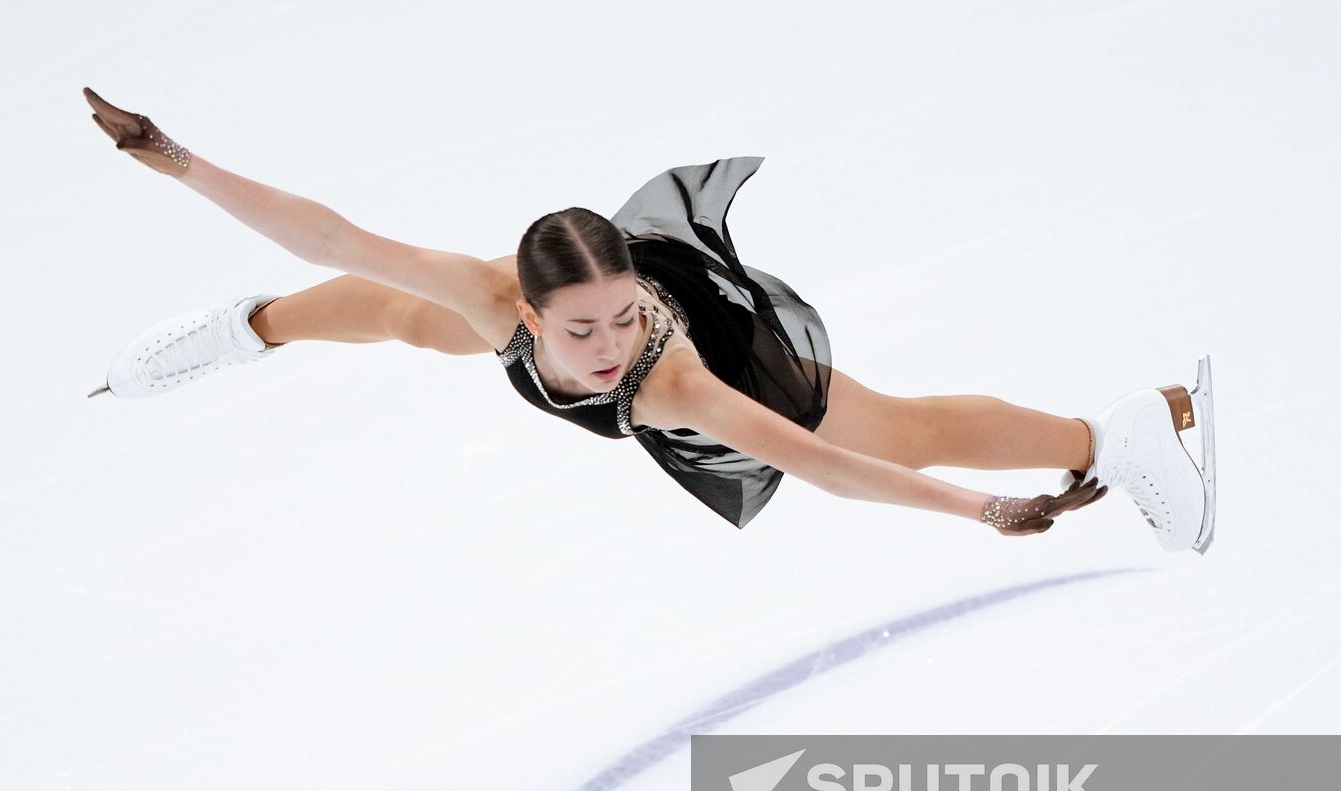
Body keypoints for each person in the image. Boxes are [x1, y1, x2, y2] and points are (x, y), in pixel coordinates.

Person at [80, 88, 1216, 551]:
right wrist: (173, 159)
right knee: (401, 305)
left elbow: (821, 467)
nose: (608, 341)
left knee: (896, 428)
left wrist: (983, 509)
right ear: (529, 308)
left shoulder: (671, 380)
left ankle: (1104, 437)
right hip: (488, 306)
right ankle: (244, 329)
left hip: (734, 353)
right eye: (580, 329)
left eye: (618, 317)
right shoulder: (496, 298)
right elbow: (330, 235)